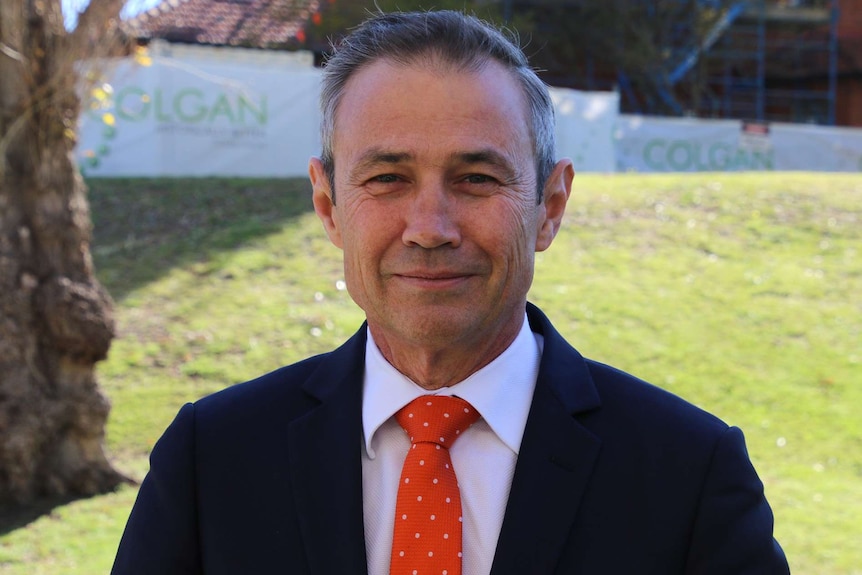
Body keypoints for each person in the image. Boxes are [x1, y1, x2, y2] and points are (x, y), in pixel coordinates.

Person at [111, 10, 789, 575]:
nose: (430, 228)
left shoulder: (689, 474)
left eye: (476, 179)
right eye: (386, 179)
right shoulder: (212, 461)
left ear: (549, 207)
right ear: (328, 205)